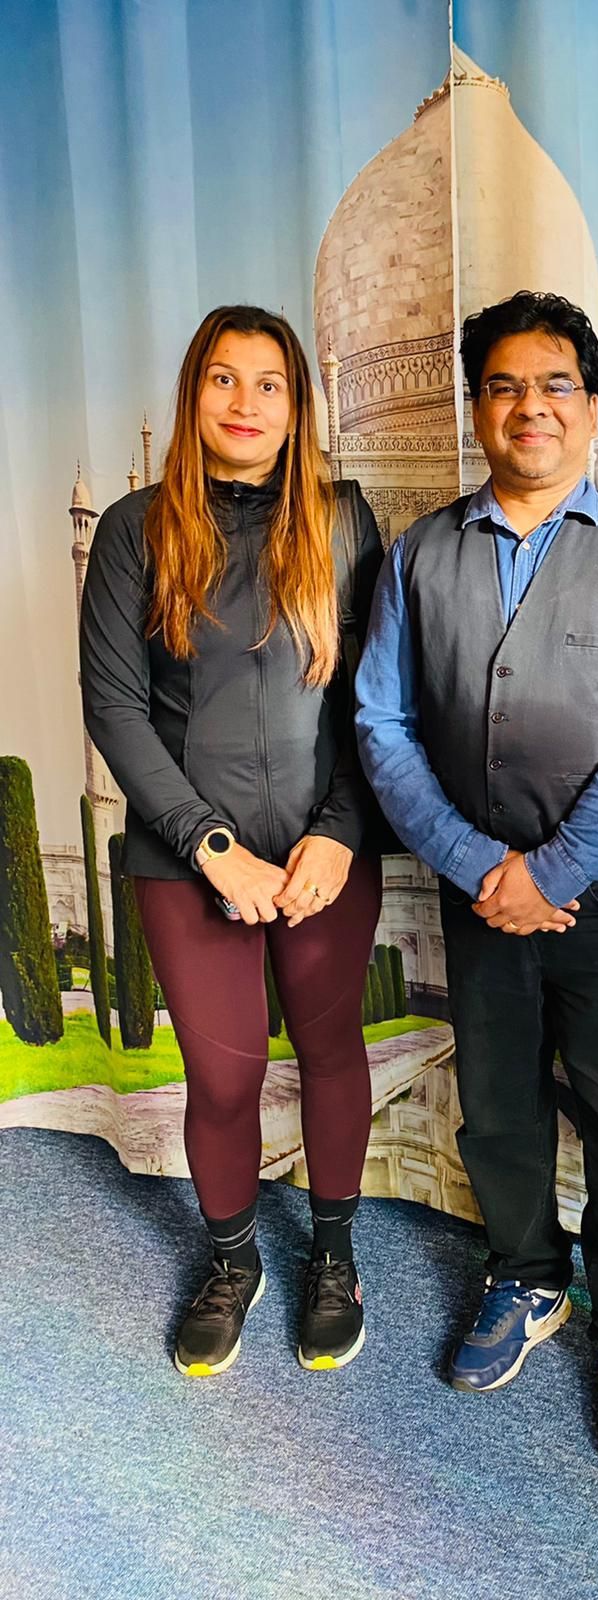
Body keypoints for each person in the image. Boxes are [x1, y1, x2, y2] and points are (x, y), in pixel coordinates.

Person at [356, 290, 598, 1472]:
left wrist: (549, 870)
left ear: (592, 406)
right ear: (477, 406)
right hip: (479, 902)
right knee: (497, 1111)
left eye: (556, 384)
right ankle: (524, 1274)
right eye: (505, 385)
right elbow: (381, 721)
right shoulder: (422, 554)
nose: (531, 407)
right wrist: (478, 868)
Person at [81, 305, 384, 1378]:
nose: (245, 404)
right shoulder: (133, 530)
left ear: (299, 406)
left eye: (269, 384)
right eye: (223, 379)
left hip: (321, 858)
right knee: (223, 1081)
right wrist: (211, 846)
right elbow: (116, 709)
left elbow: (373, 703)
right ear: (191, 396)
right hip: (185, 856)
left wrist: (341, 835)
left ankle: (336, 1256)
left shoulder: (345, 525)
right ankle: (232, 1259)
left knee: (332, 1049)